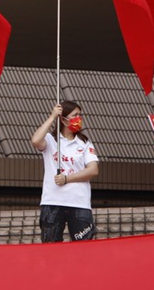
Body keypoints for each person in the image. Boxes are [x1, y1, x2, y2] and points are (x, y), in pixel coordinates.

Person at [31, 101, 99, 242]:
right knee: (50, 246)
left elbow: (93, 170)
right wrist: (52, 117)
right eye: (75, 115)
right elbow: (36, 140)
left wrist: (67, 179)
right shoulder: (51, 140)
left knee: (84, 246)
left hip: (79, 203)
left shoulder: (85, 143)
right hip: (53, 202)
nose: (78, 119)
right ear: (63, 119)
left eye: (80, 115)